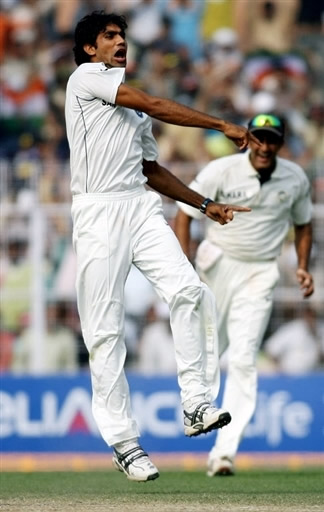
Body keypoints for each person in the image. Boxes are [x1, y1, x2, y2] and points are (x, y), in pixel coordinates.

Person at [65, 10, 259, 482]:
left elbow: (150, 171)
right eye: (110, 36)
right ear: (90, 48)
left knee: (190, 291)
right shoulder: (86, 78)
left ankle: (196, 403)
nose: (120, 42)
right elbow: (154, 102)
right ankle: (124, 443)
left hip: (138, 204)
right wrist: (223, 125)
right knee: (105, 331)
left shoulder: (130, 107)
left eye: (123, 36)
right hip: (97, 212)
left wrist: (203, 203)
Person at [174, 113, 314, 476]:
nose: (265, 147)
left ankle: (224, 453)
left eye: (273, 140)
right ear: (248, 139)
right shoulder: (222, 170)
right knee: (207, 350)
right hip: (218, 263)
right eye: (259, 138)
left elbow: (303, 224)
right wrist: (181, 265)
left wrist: (302, 265)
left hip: (261, 271)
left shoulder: (295, 178)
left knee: (244, 358)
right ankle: (195, 410)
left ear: (281, 143)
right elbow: (185, 212)